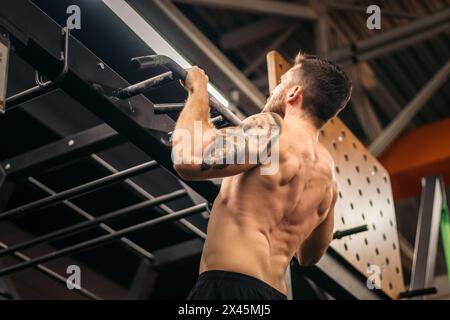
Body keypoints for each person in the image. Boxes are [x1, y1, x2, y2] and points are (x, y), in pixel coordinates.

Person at [172, 52, 352, 300]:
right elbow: (309, 256)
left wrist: (198, 91)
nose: (274, 89)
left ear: (293, 93)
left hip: (230, 289)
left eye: (282, 81)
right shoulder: (328, 178)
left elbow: (188, 159)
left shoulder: (273, 128)